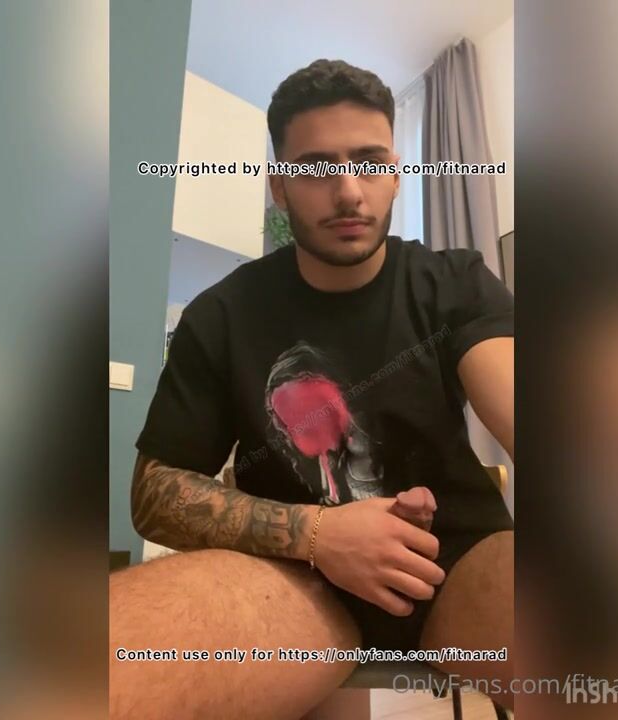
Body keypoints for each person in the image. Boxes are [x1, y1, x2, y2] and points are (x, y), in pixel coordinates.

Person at [110, 59, 514, 720]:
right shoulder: (222, 315)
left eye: (370, 161)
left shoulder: (453, 283)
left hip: (459, 565)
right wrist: (316, 533)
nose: (349, 192)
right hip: (294, 581)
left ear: (395, 172)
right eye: (317, 167)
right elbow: (153, 492)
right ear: (279, 186)